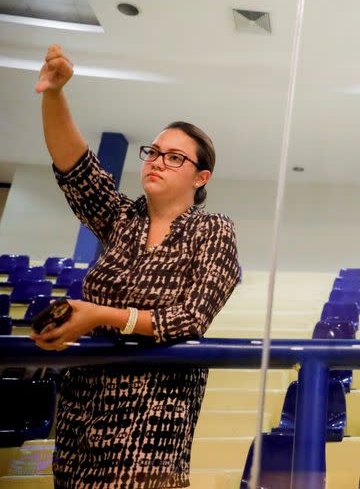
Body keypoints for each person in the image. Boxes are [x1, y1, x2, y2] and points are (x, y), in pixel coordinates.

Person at [30, 45, 240, 488]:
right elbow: (76, 168)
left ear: (201, 177)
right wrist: (54, 94)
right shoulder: (122, 219)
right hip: (82, 412)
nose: (157, 161)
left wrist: (100, 317)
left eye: (174, 157)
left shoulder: (214, 230)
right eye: (153, 152)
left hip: (154, 418)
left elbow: (189, 318)